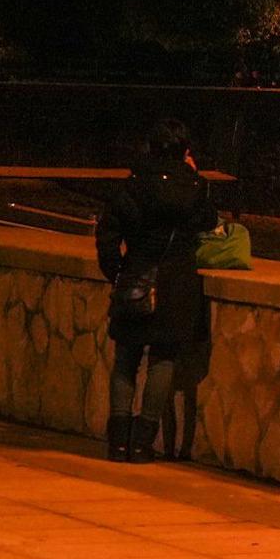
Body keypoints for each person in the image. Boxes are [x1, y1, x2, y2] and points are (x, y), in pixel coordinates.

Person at [95, 119, 219, 463]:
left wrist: (117, 273)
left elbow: (108, 234)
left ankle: (118, 442)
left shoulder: (132, 186)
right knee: (162, 359)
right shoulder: (193, 187)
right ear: (185, 152)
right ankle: (143, 442)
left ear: (150, 148)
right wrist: (193, 175)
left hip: (136, 276)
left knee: (126, 360)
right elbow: (208, 222)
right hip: (175, 283)